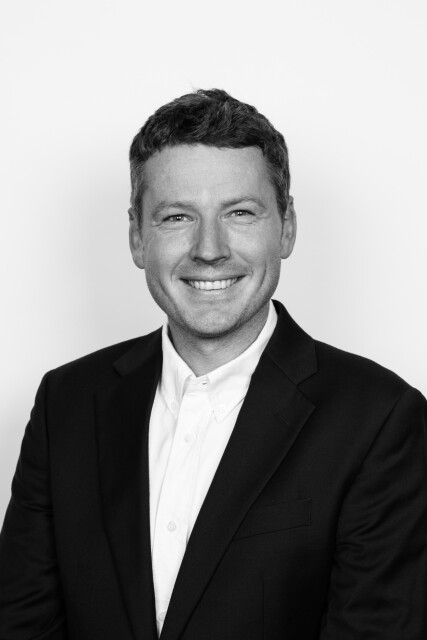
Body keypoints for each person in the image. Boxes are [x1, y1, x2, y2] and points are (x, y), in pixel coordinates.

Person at [0, 89, 426, 640]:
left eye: (240, 213)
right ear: (137, 237)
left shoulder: (381, 419)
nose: (209, 249)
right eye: (177, 216)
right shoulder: (66, 402)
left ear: (287, 228)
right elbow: (22, 623)